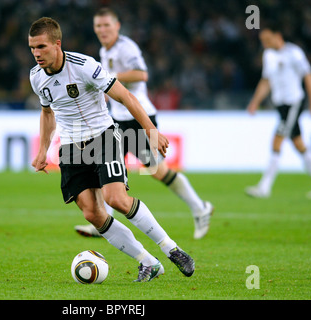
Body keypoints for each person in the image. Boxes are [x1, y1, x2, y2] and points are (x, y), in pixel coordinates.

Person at [29, 17, 195, 282]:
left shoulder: (85, 67)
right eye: (33, 48)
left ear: (57, 44)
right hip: (72, 146)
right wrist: (42, 149)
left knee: (115, 198)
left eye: (42, 47)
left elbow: (126, 96)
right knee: (92, 213)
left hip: (103, 136)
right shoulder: (36, 77)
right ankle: (148, 262)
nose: (37, 53)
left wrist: (151, 130)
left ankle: (171, 249)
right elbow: (47, 112)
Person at [74, 8, 213, 240]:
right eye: (98, 26)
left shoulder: (127, 47)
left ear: (117, 26)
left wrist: (111, 76)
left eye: (107, 25)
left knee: (159, 172)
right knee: (107, 168)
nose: (102, 30)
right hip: (117, 119)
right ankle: (104, 221)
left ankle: (200, 208)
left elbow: (142, 75)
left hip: (138, 120)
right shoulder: (103, 50)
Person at [246, 24, 311, 199]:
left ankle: (264, 187)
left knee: (277, 141)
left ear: (277, 35)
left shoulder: (294, 53)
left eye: (267, 40)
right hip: (280, 106)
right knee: (298, 143)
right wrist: (254, 102)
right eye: (262, 41)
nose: (264, 44)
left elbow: (309, 76)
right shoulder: (269, 56)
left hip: (293, 103)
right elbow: (266, 81)